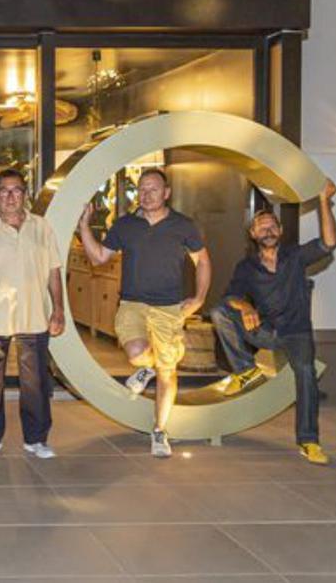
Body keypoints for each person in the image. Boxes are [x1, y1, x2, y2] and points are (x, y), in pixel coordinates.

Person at [76, 168, 210, 458]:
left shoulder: (184, 226)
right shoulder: (125, 226)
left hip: (169, 306)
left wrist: (199, 298)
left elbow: (202, 262)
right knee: (136, 353)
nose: (146, 194)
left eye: (153, 189)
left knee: (167, 371)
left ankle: (160, 430)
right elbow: (99, 258)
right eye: (142, 189)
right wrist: (84, 227)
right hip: (133, 302)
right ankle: (145, 366)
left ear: (166, 193)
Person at [211, 180, 336, 465]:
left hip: (297, 334)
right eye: (262, 228)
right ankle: (246, 370)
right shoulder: (247, 266)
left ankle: (309, 441)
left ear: (280, 232)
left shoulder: (295, 256)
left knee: (306, 375)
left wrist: (323, 202)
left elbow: (328, 242)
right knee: (220, 311)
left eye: (272, 226)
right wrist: (244, 306)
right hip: (266, 332)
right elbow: (230, 295)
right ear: (253, 234)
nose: (267, 230)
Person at [0, 169, 65, 459]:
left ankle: (36, 439)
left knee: (35, 383)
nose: (10, 196)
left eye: (16, 190)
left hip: (34, 316)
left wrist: (58, 309)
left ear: (25, 194)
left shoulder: (42, 228)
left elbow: (54, 272)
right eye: (4, 191)